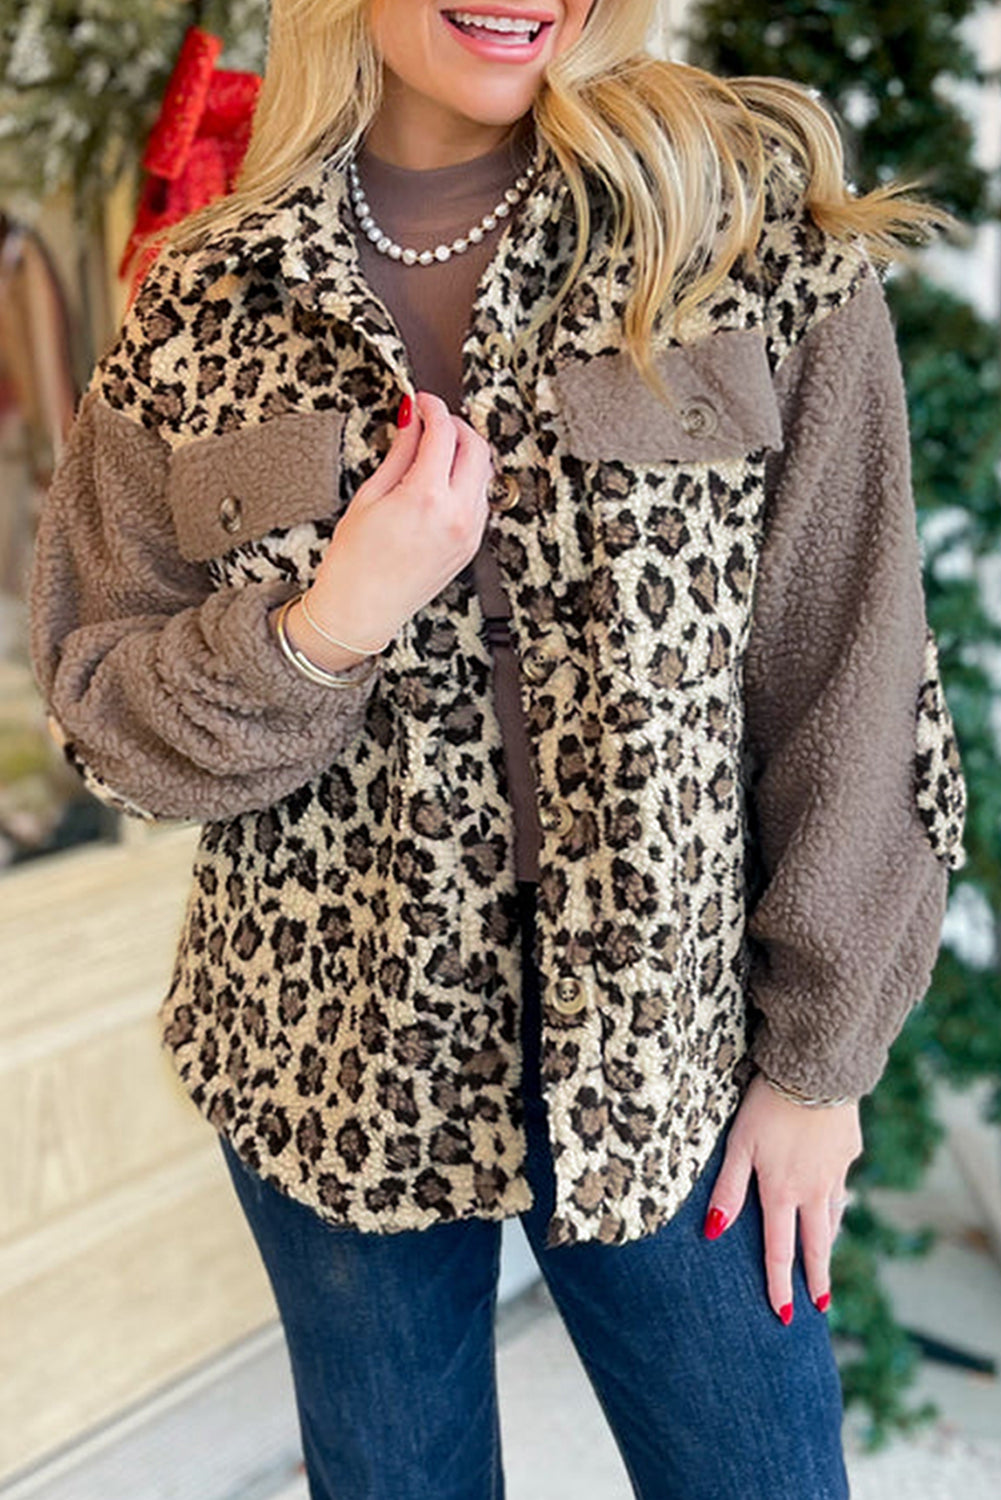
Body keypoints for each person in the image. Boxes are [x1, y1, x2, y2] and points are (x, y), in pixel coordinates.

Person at [29, 2, 969, 1496]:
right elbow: (105, 718)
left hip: (677, 1057)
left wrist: (817, 1068)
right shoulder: (201, 306)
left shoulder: (737, 232)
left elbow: (853, 674)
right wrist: (327, 624)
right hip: (325, 1049)